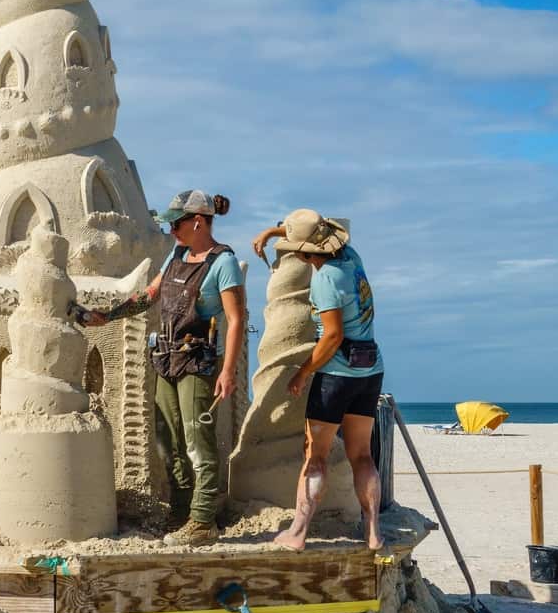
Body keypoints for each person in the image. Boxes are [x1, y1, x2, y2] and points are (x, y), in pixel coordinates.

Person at [75, 190, 245, 546]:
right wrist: (106, 316)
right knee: (168, 440)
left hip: (197, 364)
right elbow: (149, 296)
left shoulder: (222, 262)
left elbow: (235, 319)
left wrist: (228, 371)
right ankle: (181, 511)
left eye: (176, 224)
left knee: (198, 440)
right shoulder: (177, 255)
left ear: (198, 221)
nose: (171, 231)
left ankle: (203, 521)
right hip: (167, 359)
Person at [251, 208, 385, 551]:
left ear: (306, 252)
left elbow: (332, 336)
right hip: (369, 369)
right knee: (362, 455)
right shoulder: (351, 258)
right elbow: (309, 233)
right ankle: (373, 533)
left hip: (336, 375)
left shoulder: (325, 280)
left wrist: (302, 372)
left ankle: (298, 531)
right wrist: (273, 231)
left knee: (315, 456)